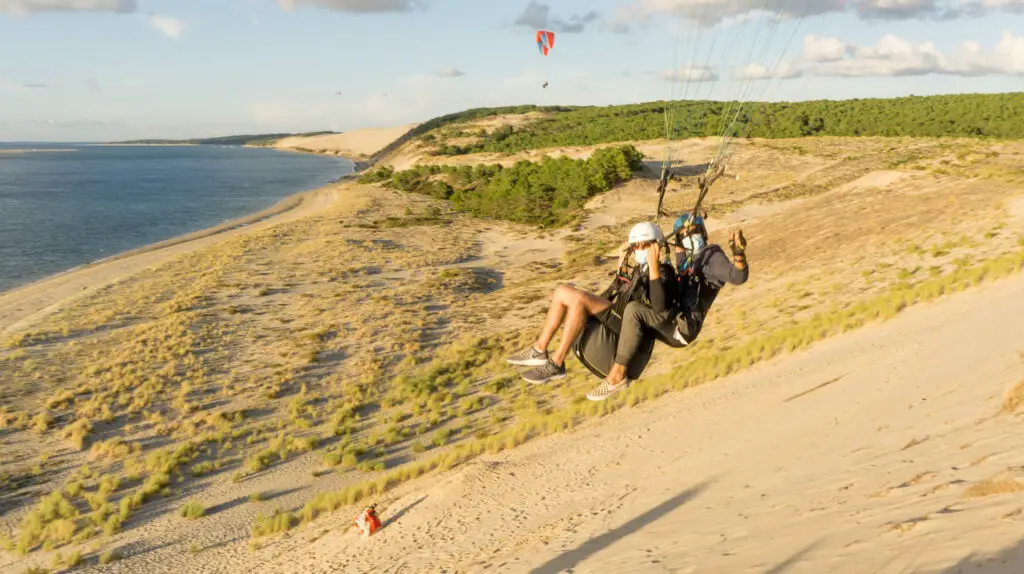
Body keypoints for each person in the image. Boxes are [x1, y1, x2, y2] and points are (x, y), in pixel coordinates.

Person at [585, 212, 750, 401]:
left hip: (683, 328)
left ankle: (617, 376)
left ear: (704, 234)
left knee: (634, 311)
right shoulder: (685, 261)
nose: (691, 240)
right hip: (671, 319)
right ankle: (614, 353)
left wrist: (739, 256)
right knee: (633, 304)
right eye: (685, 237)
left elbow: (738, 276)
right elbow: (672, 253)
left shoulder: (711, 257)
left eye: (695, 234)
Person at [506, 222, 674, 385]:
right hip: (618, 313)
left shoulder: (663, 271)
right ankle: (539, 350)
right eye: (635, 246)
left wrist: (653, 267)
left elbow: (659, 306)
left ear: (655, 246)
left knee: (579, 300)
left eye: (643, 245)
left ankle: (556, 363)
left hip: (630, 325)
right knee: (561, 292)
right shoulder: (641, 269)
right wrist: (621, 267)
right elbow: (620, 292)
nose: (638, 249)